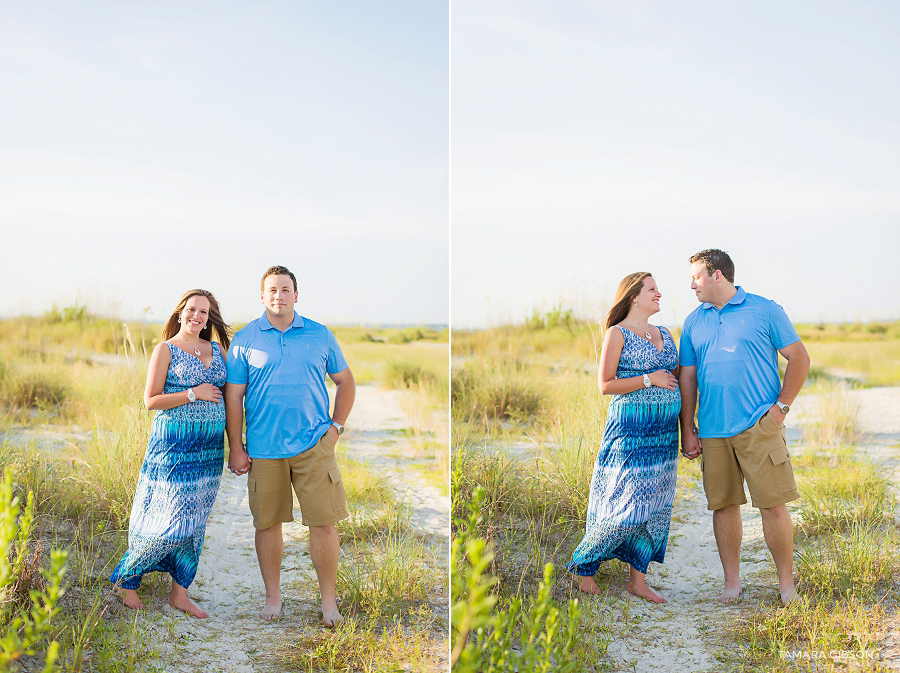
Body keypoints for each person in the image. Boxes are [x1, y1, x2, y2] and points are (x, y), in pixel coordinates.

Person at [225, 265, 356, 625]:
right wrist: (236, 447)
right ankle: (273, 597)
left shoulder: (319, 334)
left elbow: (345, 381)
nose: (278, 296)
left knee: (324, 523)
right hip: (264, 450)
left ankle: (328, 602)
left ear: (296, 295)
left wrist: (335, 429)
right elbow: (233, 397)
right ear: (262, 296)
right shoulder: (245, 339)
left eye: (285, 290)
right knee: (267, 524)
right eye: (272, 290)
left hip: (314, 446)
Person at [678, 249, 809, 605]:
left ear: (716, 275)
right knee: (723, 506)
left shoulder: (765, 309)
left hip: (759, 426)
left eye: (696, 277)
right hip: (713, 430)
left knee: (773, 505)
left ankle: (786, 585)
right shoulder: (693, 322)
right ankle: (732, 583)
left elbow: (799, 357)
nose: (691, 284)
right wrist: (687, 427)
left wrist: (781, 408)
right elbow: (687, 377)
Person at [110, 289, 230, 619]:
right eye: (192, 309)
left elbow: (231, 395)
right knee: (169, 515)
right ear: (180, 313)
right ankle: (128, 579)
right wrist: (193, 393)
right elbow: (151, 400)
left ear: (209, 318)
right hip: (173, 447)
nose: (197, 316)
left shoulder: (217, 349)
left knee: (195, 522)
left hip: (208, 451)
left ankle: (180, 593)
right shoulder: (165, 349)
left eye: (204, 312)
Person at [568, 272, 680, 604]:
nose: (659, 293)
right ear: (634, 296)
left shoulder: (664, 333)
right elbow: (605, 384)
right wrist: (649, 379)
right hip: (631, 431)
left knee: (655, 506)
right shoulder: (617, 334)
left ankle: (638, 580)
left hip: (664, 436)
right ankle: (582, 566)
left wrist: (688, 426)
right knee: (627, 501)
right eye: (652, 289)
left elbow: (676, 378)